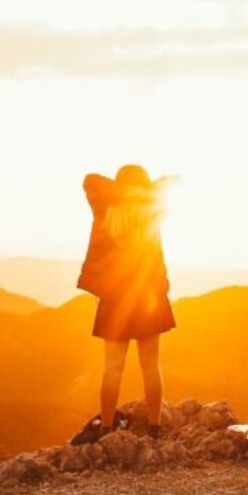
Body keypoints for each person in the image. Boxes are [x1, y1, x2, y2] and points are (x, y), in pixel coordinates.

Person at [74, 164, 176, 443]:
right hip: (148, 298)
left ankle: (107, 428)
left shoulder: (107, 213)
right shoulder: (150, 215)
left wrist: (124, 192)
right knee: (151, 366)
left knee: (112, 368)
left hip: (116, 299)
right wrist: (146, 190)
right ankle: (155, 428)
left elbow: (90, 180)